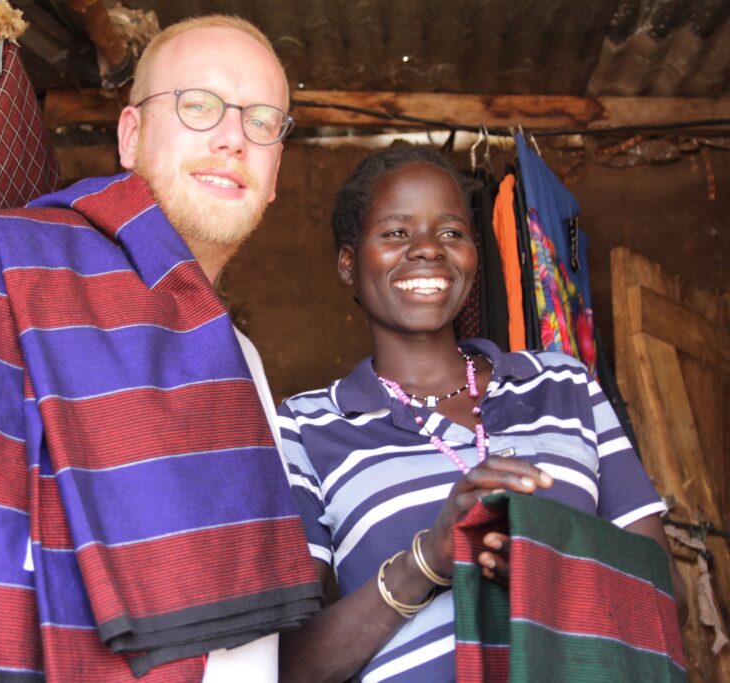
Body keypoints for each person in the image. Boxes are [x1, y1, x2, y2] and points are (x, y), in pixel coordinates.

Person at [0, 15, 320, 682]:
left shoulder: (241, 361)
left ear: (276, 171)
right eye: (199, 105)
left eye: (262, 121)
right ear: (131, 136)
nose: (232, 137)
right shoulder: (4, 276)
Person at [276, 145, 684, 682]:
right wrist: (427, 561)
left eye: (451, 233)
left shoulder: (562, 384)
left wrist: (556, 564)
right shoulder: (305, 429)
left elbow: (666, 598)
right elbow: (282, 668)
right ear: (350, 264)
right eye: (396, 233)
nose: (428, 250)